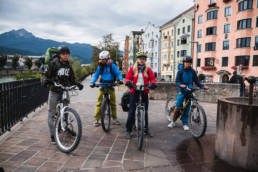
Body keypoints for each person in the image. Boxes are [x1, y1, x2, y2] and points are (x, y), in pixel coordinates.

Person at [42, 46, 84, 144]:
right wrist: (48, 81)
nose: (66, 55)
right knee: (51, 113)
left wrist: (77, 83)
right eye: (63, 54)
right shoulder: (53, 63)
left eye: (67, 54)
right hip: (54, 91)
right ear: (60, 54)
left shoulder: (68, 65)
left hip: (64, 90)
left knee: (66, 110)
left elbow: (72, 78)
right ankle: (53, 135)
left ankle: (68, 127)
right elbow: (45, 75)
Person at [168, 56, 208, 130]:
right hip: (182, 90)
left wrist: (202, 86)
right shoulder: (180, 71)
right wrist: (181, 85)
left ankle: (185, 123)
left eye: (189, 63)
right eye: (186, 62)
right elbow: (177, 82)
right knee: (178, 105)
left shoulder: (192, 71)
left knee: (187, 107)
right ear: (184, 63)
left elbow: (196, 81)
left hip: (189, 89)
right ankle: (173, 122)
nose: (188, 64)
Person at [124, 51, 157, 139]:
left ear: (145, 60)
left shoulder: (148, 69)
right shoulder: (133, 68)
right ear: (137, 59)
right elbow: (127, 78)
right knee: (131, 111)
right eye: (140, 58)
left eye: (143, 59)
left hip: (144, 91)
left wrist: (153, 84)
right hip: (134, 91)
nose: (142, 60)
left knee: (145, 111)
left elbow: (153, 79)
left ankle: (146, 129)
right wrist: (128, 82)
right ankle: (128, 130)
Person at [90, 50, 123, 127]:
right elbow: (96, 75)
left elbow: (118, 73)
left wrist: (120, 79)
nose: (102, 61)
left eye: (104, 59)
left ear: (108, 58)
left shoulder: (112, 65)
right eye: (101, 59)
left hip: (111, 85)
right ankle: (96, 119)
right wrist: (92, 82)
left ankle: (114, 119)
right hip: (102, 85)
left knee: (113, 103)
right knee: (99, 102)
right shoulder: (100, 66)